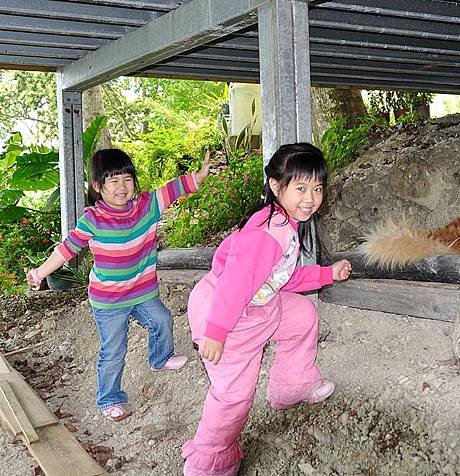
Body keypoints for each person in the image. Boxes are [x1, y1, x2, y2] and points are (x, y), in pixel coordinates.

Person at [182, 142, 352, 476]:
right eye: (300, 188)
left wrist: (326, 274)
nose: (311, 198)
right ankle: (208, 462)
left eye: (317, 188)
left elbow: (280, 278)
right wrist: (215, 333)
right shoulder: (265, 235)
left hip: (259, 306)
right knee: (233, 397)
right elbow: (235, 285)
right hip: (227, 316)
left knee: (302, 315)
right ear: (276, 186)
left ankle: (292, 386)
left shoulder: (286, 221)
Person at [27, 148, 212, 422]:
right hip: (109, 301)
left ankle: (160, 358)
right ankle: (109, 399)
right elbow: (67, 250)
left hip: (142, 291)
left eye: (127, 179)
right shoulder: (92, 219)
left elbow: (172, 190)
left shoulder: (147, 206)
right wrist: (40, 272)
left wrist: (198, 176)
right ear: (98, 187)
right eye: (113, 181)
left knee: (162, 319)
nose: (122, 186)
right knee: (114, 350)